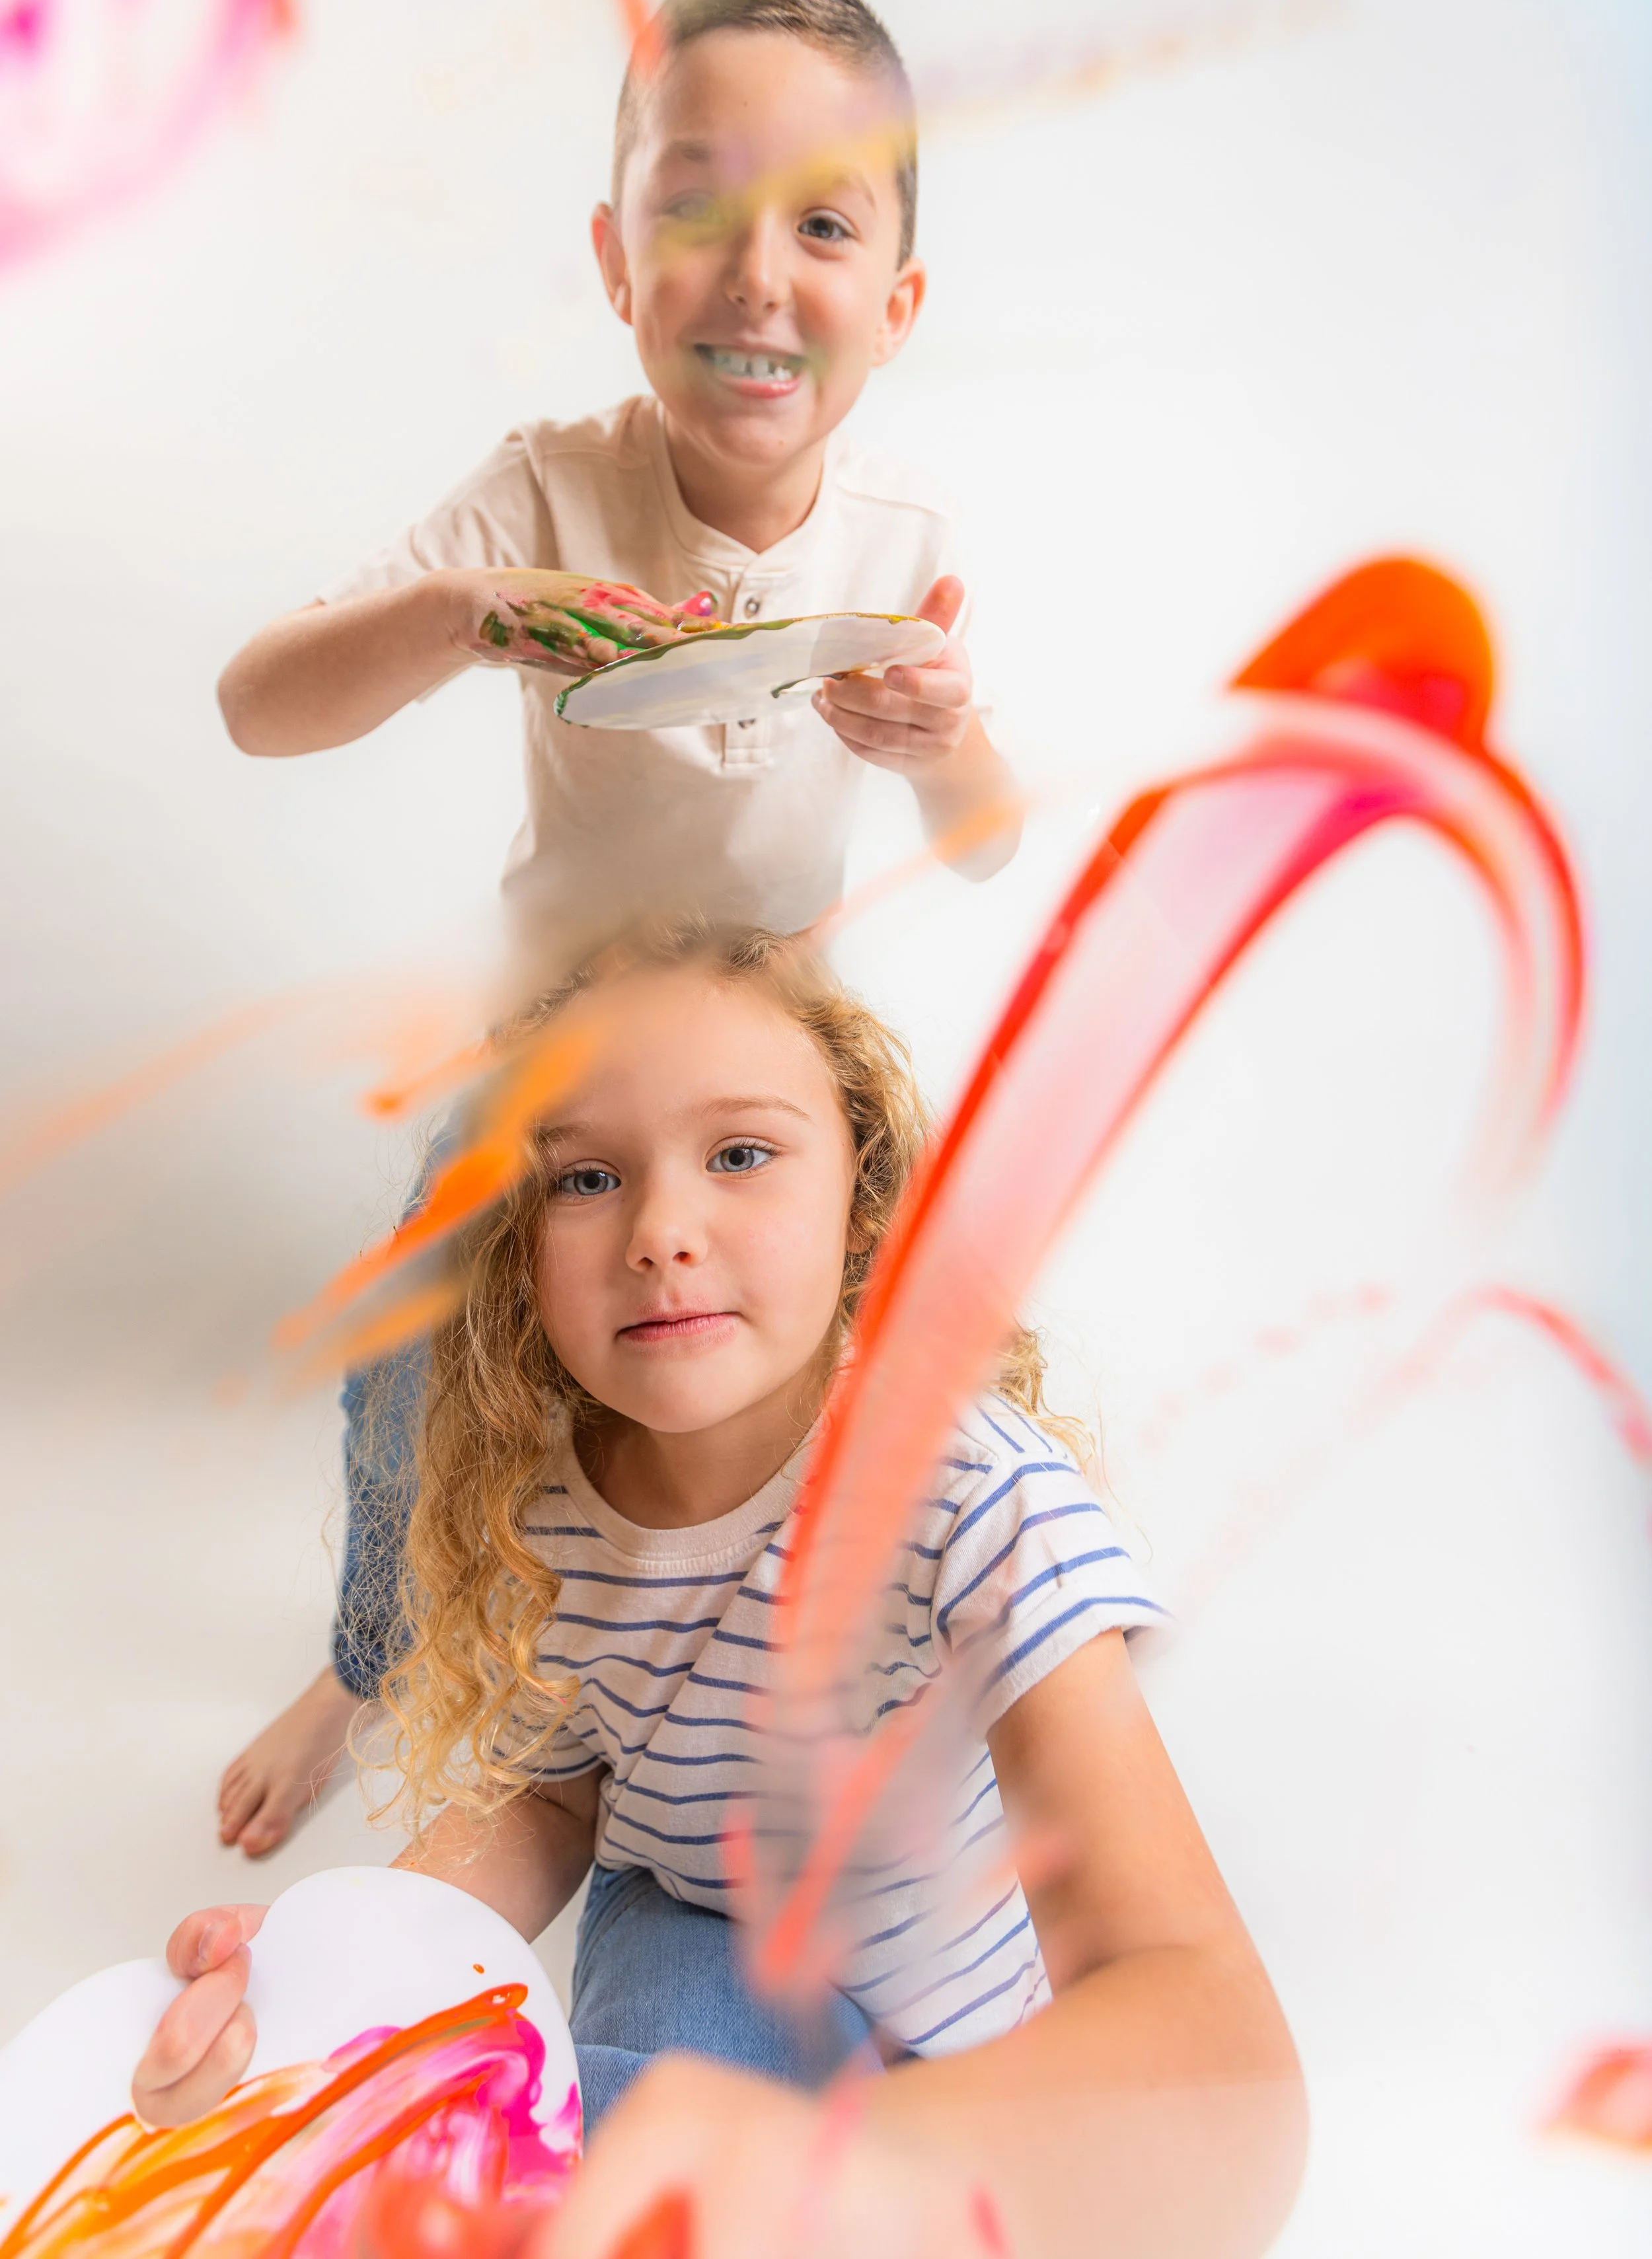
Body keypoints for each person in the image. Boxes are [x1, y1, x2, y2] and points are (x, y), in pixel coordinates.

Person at [135, 927, 1305, 2258]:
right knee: (604, 2129)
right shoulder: (542, 1506)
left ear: (864, 1206)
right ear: (522, 1252)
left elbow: (1209, 2035)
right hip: (707, 1924)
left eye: (739, 1154)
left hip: (966, 2041)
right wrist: (333, 1971)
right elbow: (552, 1791)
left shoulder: (975, 1494)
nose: (659, 1233)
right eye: (585, 1176)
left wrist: (846, 2162)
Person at [215, 0, 1022, 1858]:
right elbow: (257, 708)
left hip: (768, 1057)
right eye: (698, 207)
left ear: (894, 303)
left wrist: (940, 739)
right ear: (614, 258)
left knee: (844, 1345)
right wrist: (459, 615)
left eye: (820, 224)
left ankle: (837, 1675)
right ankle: (371, 1652)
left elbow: (985, 840)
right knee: (411, 1329)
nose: (756, 274)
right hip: (560, 1048)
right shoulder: (547, 493)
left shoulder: (900, 540)